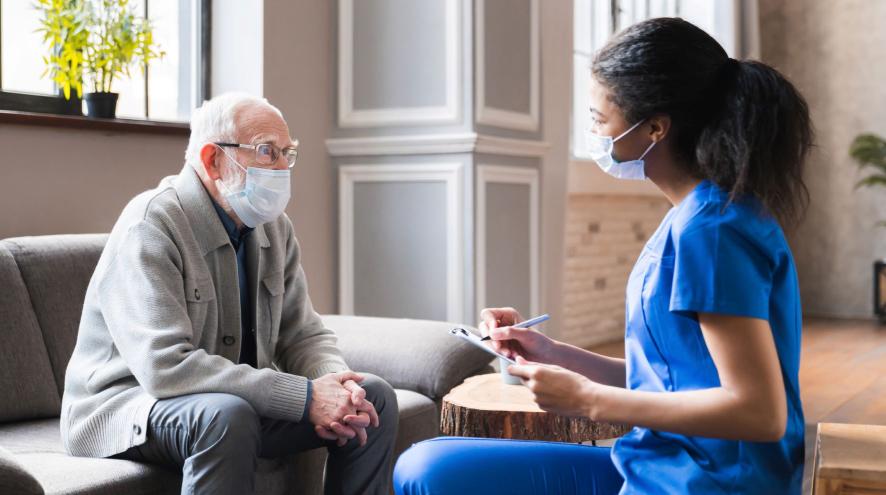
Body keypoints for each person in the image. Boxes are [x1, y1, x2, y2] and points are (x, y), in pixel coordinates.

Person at [394, 17, 812, 495]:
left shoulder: (712, 230)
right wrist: (555, 355)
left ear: (655, 127)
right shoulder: (697, 216)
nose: (593, 133)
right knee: (426, 466)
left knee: (430, 474)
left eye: (598, 120)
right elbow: (671, 379)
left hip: (708, 483)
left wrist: (592, 401)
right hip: (662, 464)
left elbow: (760, 412)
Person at [61, 93, 398, 495]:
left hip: (227, 400)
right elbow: (165, 367)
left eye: (286, 153)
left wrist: (336, 385)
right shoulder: (151, 224)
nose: (281, 167)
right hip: (129, 406)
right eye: (266, 152)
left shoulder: (274, 227)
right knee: (226, 416)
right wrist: (305, 395)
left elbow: (302, 334)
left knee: (373, 399)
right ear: (212, 160)